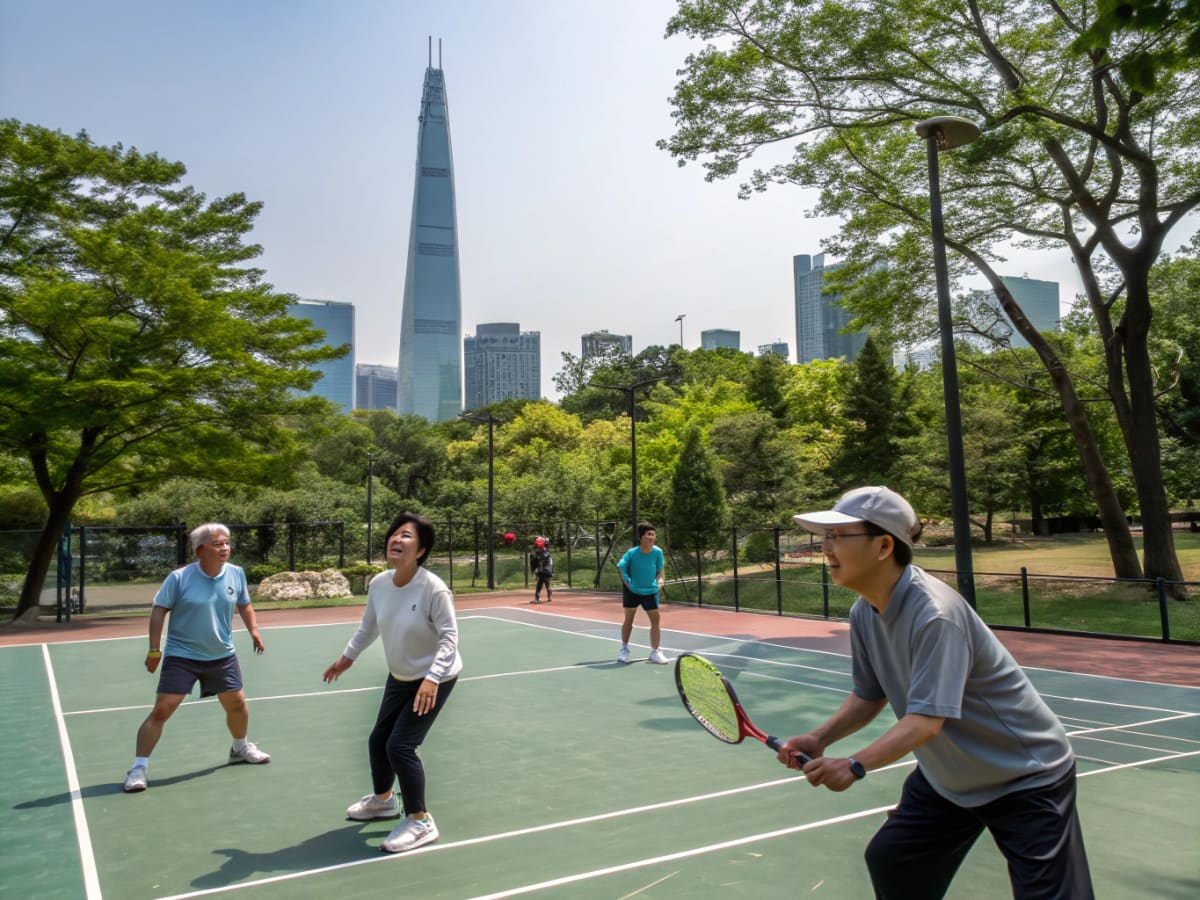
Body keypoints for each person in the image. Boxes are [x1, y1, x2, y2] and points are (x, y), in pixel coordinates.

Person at [783, 486, 1093, 899]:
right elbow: (869, 695)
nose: (826, 548)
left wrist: (855, 765)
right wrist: (819, 738)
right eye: (825, 536)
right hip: (950, 779)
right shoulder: (865, 612)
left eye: (838, 536)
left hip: (1023, 775)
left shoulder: (935, 615)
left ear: (884, 546)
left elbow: (926, 722)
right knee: (895, 861)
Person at [323, 511, 462, 854]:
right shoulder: (380, 584)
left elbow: (449, 638)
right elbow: (368, 627)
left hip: (435, 677)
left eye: (407, 535)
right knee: (378, 741)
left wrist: (432, 679)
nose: (396, 539)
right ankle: (384, 801)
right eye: (394, 533)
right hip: (401, 675)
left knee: (400, 746)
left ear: (421, 550)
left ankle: (420, 820)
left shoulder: (434, 588)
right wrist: (347, 657)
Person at [122, 523, 269, 793]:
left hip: (221, 654)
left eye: (227, 543)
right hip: (183, 656)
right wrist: (154, 650)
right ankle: (138, 768)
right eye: (218, 544)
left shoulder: (236, 573)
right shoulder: (179, 578)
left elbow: (244, 604)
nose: (225, 548)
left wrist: (254, 630)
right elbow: (159, 610)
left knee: (237, 704)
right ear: (200, 550)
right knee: (162, 710)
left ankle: (240, 747)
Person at [615, 522, 668, 664]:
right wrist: (628, 583)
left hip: (650, 592)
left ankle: (655, 652)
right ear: (641, 537)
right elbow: (621, 568)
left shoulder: (658, 552)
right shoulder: (632, 553)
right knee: (629, 619)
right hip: (632, 591)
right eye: (648, 534)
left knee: (655, 620)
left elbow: (660, 572)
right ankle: (624, 649)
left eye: (653, 535)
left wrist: (660, 583)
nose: (651, 537)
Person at [530, 537, 553, 604]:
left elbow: (536, 562)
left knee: (539, 586)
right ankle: (549, 597)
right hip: (547, 571)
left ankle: (537, 599)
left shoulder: (539, 552)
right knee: (547, 585)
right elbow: (550, 562)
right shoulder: (547, 551)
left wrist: (536, 570)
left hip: (543, 571)